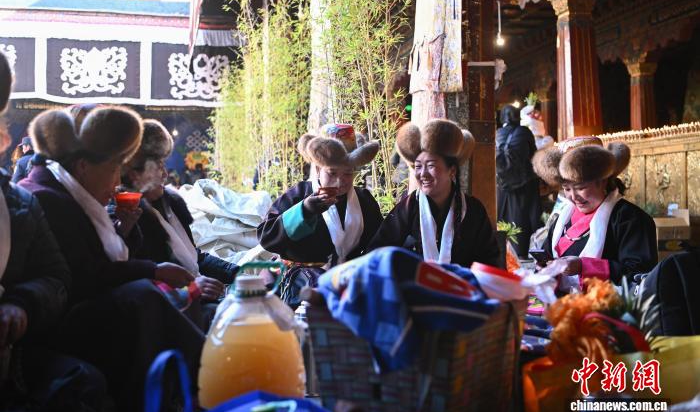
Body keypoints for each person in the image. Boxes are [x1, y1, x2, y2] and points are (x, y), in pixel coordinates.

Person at [19, 106, 204, 412]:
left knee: (160, 298)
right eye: (114, 169)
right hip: (52, 324)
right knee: (142, 296)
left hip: (82, 309)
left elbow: (103, 261)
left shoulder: (75, 195)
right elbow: (81, 277)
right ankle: (210, 375)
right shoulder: (47, 197)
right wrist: (152, 269)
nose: (118, 180)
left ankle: (185, 391)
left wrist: (125, 230)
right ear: (83, 167)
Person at [0, 51, 112, 412]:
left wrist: (21, 304)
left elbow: (56, 276)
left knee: (83, 384)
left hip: (12, 353)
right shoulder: (45, 194)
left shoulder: (19, 204)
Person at [116, 119, 238, 328]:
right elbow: (138, 280)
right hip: (174, 313)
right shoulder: (126, 215)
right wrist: (190, 289)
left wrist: (239, 273)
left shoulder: (170, 203)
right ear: (135, 174)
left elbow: (195, 258)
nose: (165, 174)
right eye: (159, 166)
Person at [368, 119, 500, 267]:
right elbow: (377, 254)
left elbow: (490, 260)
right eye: (418, 167)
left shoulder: (473, 210)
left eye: (431, 166)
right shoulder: (407, 208)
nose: (423, 174)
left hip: (462, 282)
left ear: (452, 170)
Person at [533, 136, 657, 291]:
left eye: (580, 187)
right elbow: (547, 256)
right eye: (567, 188)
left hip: (607, 303)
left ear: (603, 181)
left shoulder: (631, 219)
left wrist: (584, 266)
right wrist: (544, 268)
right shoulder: (563, 218)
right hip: (562, 302)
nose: (573, 197)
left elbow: (640, 275)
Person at [258, 124, 384, 266]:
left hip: (349, 275)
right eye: (332, 173)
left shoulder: (364, 200)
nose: (339, 181)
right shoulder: (300, 194)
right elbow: (266, 236)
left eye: (348, 173)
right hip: (302, 275)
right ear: (318, 169)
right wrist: (305, 211)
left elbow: (379, 242)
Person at [496, 105, 542, 258]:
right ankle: (523, 250)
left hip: (502, 183)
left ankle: (504, 250)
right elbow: (533, 154)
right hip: (524, 182)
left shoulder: (498, 133)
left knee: (504, 214)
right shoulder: (524, 132)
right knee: (523, 215)